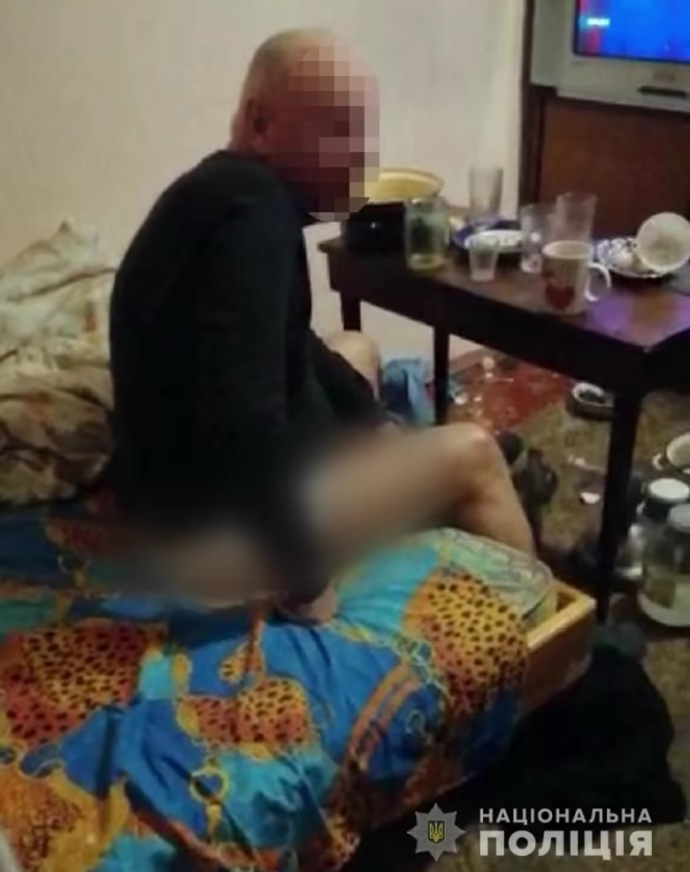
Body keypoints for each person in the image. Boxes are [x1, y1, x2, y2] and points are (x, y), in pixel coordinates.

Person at [110, 29, 533, 622]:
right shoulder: (256, 217)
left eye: (364, 134)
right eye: (339, 133)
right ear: (261, 124)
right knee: (476, 452)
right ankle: (553, 649)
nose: (362, 160)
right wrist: (304, 578)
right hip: (204, 534)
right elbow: (241, 421)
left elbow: (288, 341)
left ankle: (393, 465)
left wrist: (373, 421)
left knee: (355, 347)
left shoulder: (220, 192)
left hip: (169, 483)